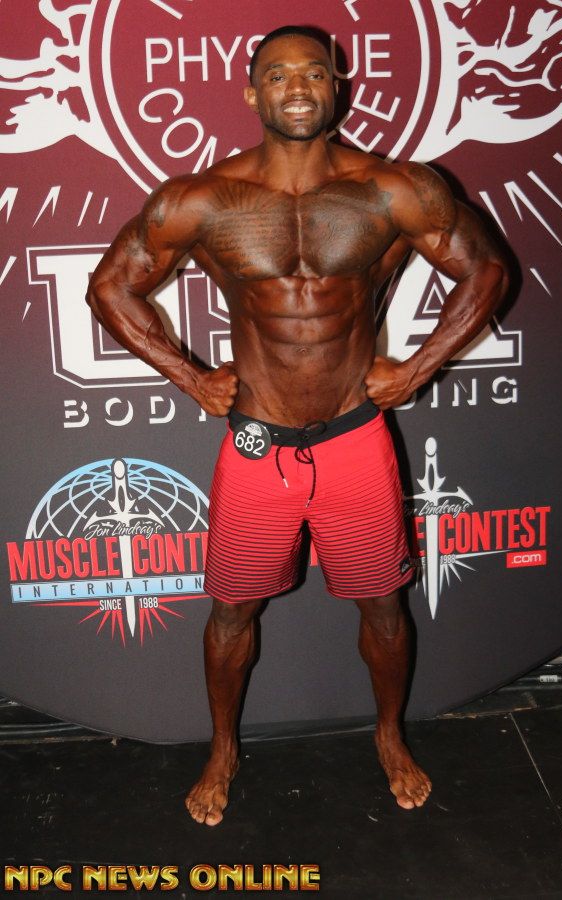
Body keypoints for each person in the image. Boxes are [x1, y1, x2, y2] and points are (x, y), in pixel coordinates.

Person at [86, 25, 509, 826]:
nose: (298, 86)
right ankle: (222, 748)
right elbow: (111, 286)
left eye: (314, 72)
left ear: (338, 85)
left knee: (382, 606)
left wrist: (420, 368)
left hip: (354, 438)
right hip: (258, 444)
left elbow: (486, 268)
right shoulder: (201, 198)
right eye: (278, 74)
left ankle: (389, 734)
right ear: (253, 92)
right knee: (231, 612)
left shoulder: (393, 189)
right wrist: (190, 375)